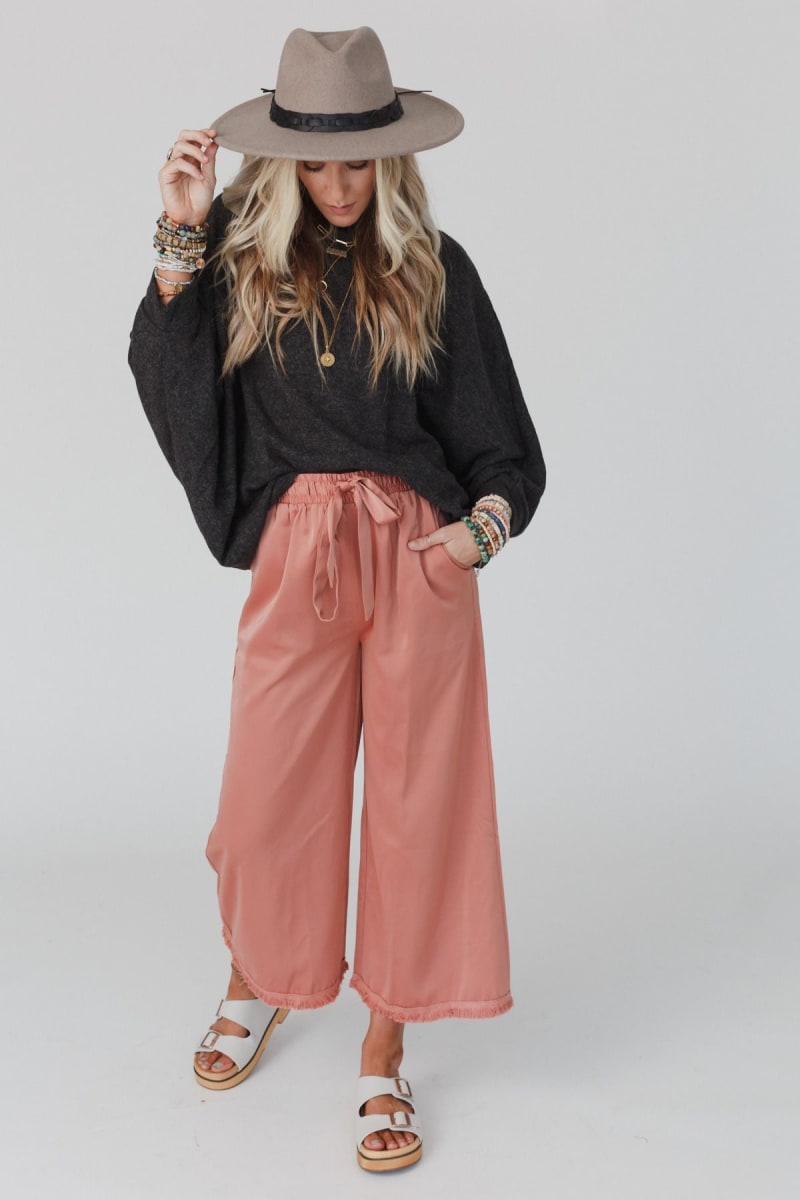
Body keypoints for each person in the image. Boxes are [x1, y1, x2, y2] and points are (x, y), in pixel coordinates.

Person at [128, 25, 546, 1174]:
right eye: (314, 162)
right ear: (283, 162)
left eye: (357, 160)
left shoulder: (432, 267)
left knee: (419, 807)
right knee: (267, 796)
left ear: (388, 157)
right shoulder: (239, 261)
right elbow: (172, 382)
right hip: (298, 552)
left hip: (415, 555)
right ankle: (256, 977)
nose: (339, 183)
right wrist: (177, 229)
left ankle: (382, 1047)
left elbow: (499, 441)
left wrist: (477, 532)